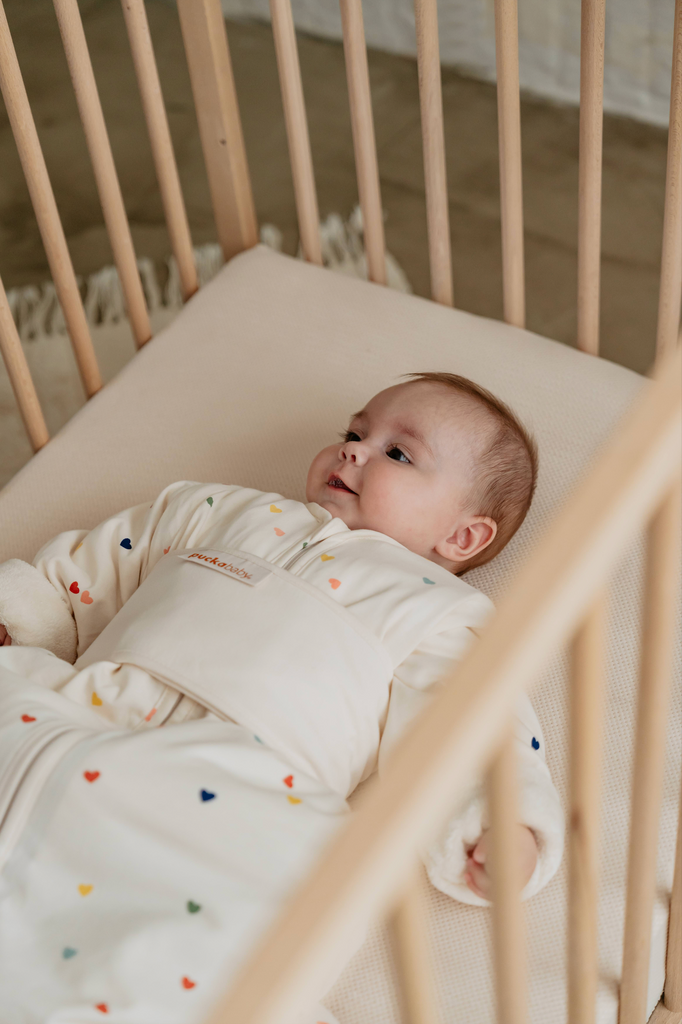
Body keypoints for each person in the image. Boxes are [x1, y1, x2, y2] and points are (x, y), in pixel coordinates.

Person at [0, 373, 564, 1020]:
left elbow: (469, 719)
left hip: (241, 788)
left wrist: (501, 818)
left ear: (462, 537)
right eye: (354, 432)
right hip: (86, 711)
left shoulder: (437, 612)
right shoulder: (216, 510)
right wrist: (25, 611)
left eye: (397, 453)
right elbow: (96, 566)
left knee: (225, 927)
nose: (354, 449)